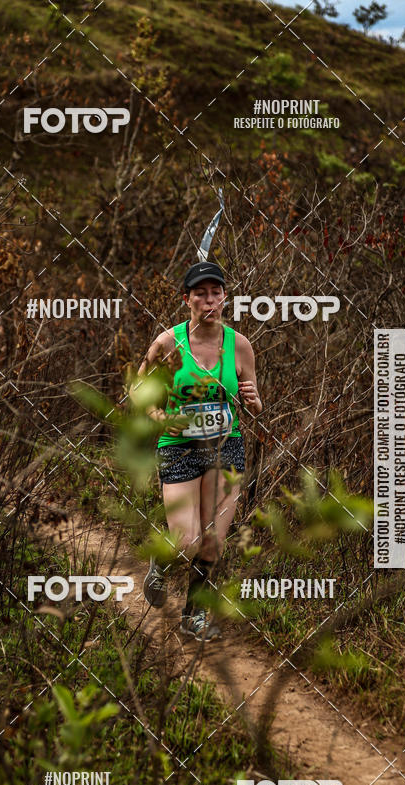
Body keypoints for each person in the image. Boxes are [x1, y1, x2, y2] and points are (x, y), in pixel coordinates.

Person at [136, 261, 262, 641]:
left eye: (216, 292)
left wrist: (255, 401)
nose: (209, 300)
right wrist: (160, 416)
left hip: (226, 446)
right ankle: (160, 563)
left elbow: (252, 398)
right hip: (178, 446)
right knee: (185, 539)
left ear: (225, 296)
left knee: (214, 540)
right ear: (186, 299)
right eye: (200, 293)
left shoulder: (238, 344)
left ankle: (195, 614)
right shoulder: (168, 342)